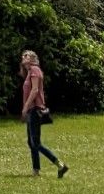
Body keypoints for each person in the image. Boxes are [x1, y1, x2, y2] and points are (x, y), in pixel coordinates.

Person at [20, 48, 68, 179]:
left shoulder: (35, 70)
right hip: (32, 110)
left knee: (36, 143)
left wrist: (25, 107)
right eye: (22, 56)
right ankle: (36, 171)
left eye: (26, 55)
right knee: (32, 143)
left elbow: (35, 90)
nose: (23, 57)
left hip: (35, 110)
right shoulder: (30, 72)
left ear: (33, 59)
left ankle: (60, 165)